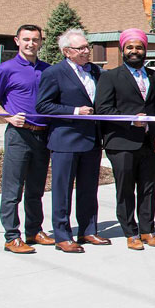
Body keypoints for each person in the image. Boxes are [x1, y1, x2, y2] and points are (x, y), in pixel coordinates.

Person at [36, 28, 108, 253]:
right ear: (67, 52)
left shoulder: (96, 72)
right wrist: (75, 110)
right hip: (65, 141)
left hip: (91, 141)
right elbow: (43, 105)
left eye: (88, 47)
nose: (87, 51)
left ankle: (88, 230)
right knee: (62, 190)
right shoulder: (54, 73)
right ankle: (62, 235)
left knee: (88, 189)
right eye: (81, 48)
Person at [0, 24, 53, 254]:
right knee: (12, 190)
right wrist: (8, 117)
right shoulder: (6, 69)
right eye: (26, 39)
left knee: (36, 189)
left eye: (35, 39)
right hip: (18, 136)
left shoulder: (47, 70)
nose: (31, 43)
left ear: (41, 42)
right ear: (17, 41)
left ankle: (34, 231)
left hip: (42, 136)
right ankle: (12, 236)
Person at [94, 28, 155, 251]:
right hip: (121, 142)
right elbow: (103, 109)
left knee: (148, 188)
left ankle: (147, 230)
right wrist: (129, 121)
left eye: (139, 47)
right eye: (130, 47)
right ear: (123, 50)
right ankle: (130, 232)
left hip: (149, 142)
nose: (134, 51)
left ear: (145, 50)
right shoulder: (110, 76)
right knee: (125, 189)